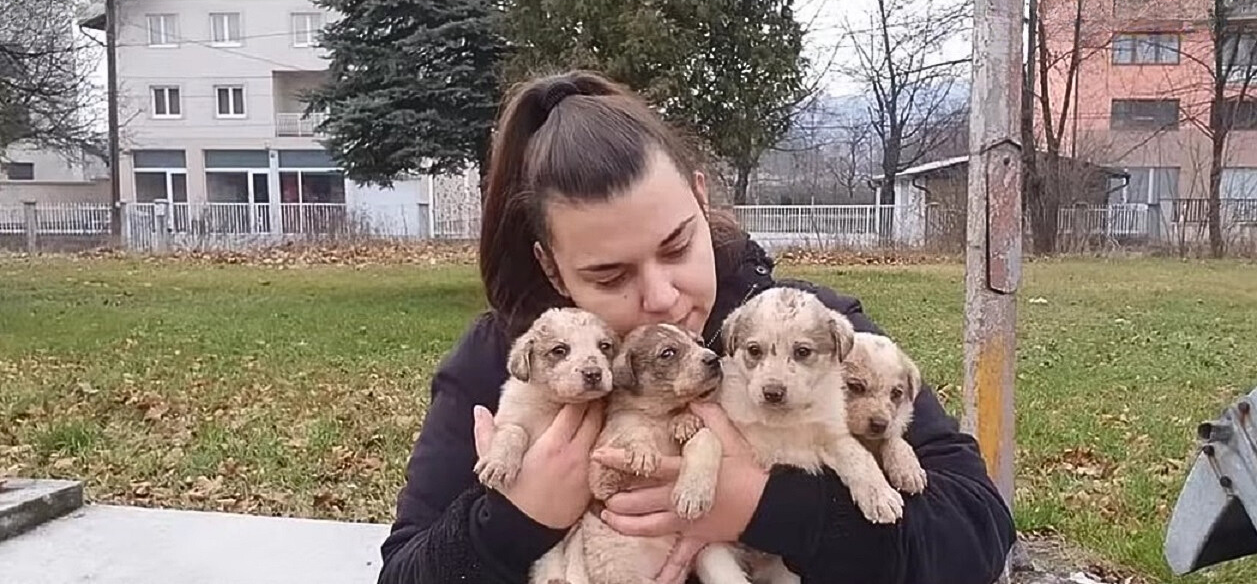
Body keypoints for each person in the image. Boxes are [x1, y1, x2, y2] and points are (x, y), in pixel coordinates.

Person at [376, 69, 1016, 584]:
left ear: (702, 200)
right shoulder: (503, 363)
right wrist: (515, 519)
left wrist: (764, 506)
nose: (661, 296)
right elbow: (403, 572)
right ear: (550, 265)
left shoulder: (809, 328)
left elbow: (977, 533)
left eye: (679, 244)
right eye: (608, 274)